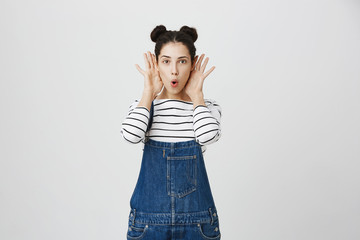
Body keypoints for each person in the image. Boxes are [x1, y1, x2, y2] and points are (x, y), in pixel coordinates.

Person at [120, 25, 222, 240]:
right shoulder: (145, 107)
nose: (174, 71)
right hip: (148, 224)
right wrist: (148, 92)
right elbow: (130, 135)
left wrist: (197, 96)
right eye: (166, 61)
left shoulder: (205, 107)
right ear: (156, 65)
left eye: (182, 61)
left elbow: (208, 136)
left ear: (193, 65)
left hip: (197, 224)